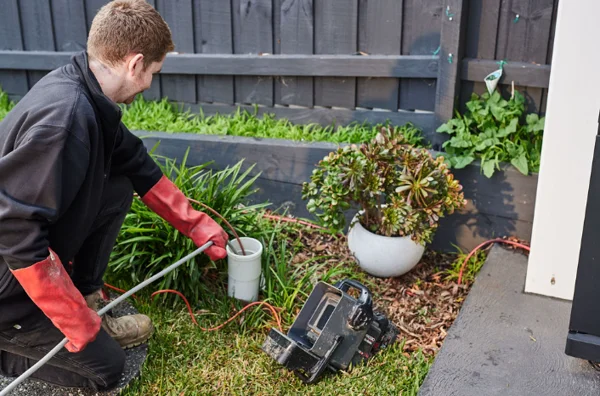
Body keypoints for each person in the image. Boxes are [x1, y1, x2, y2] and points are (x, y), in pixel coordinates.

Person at [0, 0, 228, 391]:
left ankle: (86, 299)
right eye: (153, 73)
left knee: (118, 186)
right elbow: (16, 232)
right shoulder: (66, 119)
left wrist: (196, 225)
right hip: (8, 278)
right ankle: (11, 337)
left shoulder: (86, 94)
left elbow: (136, 163)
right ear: (135, 63)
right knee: (105, 369)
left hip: (23, 253)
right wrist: (71, 318)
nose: (150, 84)